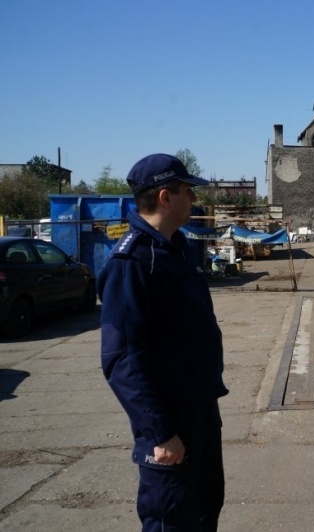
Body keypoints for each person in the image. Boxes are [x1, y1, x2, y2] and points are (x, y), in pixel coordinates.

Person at [98, 153, 228, 531]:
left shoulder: (179, 249)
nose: (194, 199)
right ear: (165, 198)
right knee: (171, 519)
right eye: (188, 191)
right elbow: (122, 359)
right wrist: (160, 432)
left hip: (201, 413)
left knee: (205, 511)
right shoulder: (132, 264)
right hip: (169, 423)